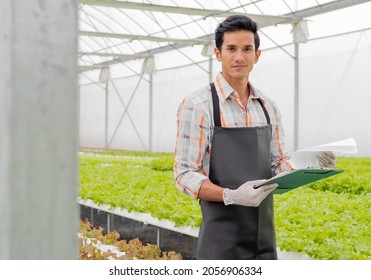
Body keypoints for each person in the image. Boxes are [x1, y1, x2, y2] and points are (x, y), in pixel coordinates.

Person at [173, 15, 335, 260]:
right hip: (221, 242)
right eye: (231, 49)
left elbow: (278, 162)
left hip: (264, 240)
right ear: (218, 54)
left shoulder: (268, 107)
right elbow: (184, 174)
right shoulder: (198, 106)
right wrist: (230, 195)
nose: (239, 57)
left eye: (247, 49)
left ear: (257, 56)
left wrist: (310, 165)